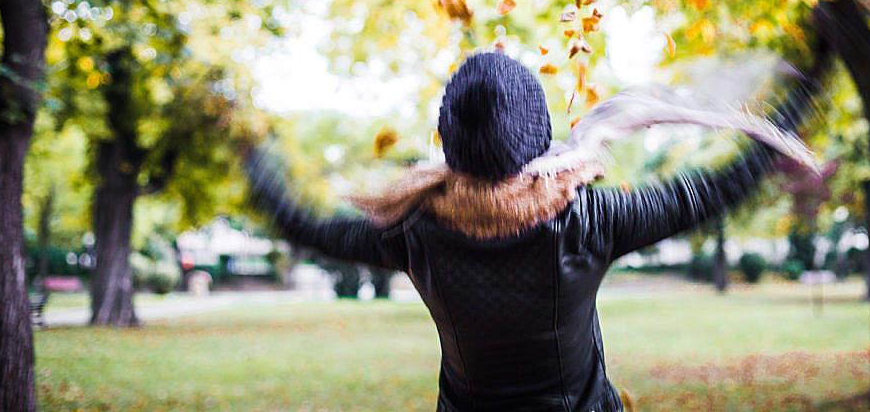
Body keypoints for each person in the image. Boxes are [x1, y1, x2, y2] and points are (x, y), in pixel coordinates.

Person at [246, 51, 817, 412]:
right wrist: (797, 104)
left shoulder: (413, 230)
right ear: (538, 138)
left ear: (449, 144)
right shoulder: (587, 221)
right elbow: (718, 188)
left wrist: (249, 151)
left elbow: (304, 225)